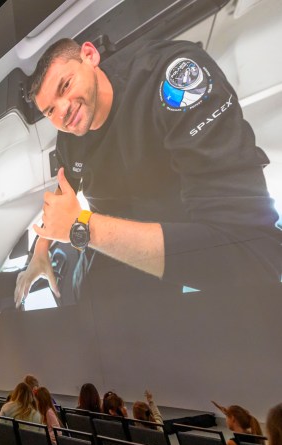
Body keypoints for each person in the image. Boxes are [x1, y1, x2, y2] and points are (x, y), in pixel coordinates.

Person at [15, 38, 281, 307]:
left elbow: (252, 255)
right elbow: (63, 195)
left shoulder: (168, 76)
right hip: (111, 249)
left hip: (177, 240)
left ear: (90, 55)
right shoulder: (69, 139)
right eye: (50, 110)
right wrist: (41, 249)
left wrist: (82, 227)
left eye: (66, 86)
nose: (62, 112)